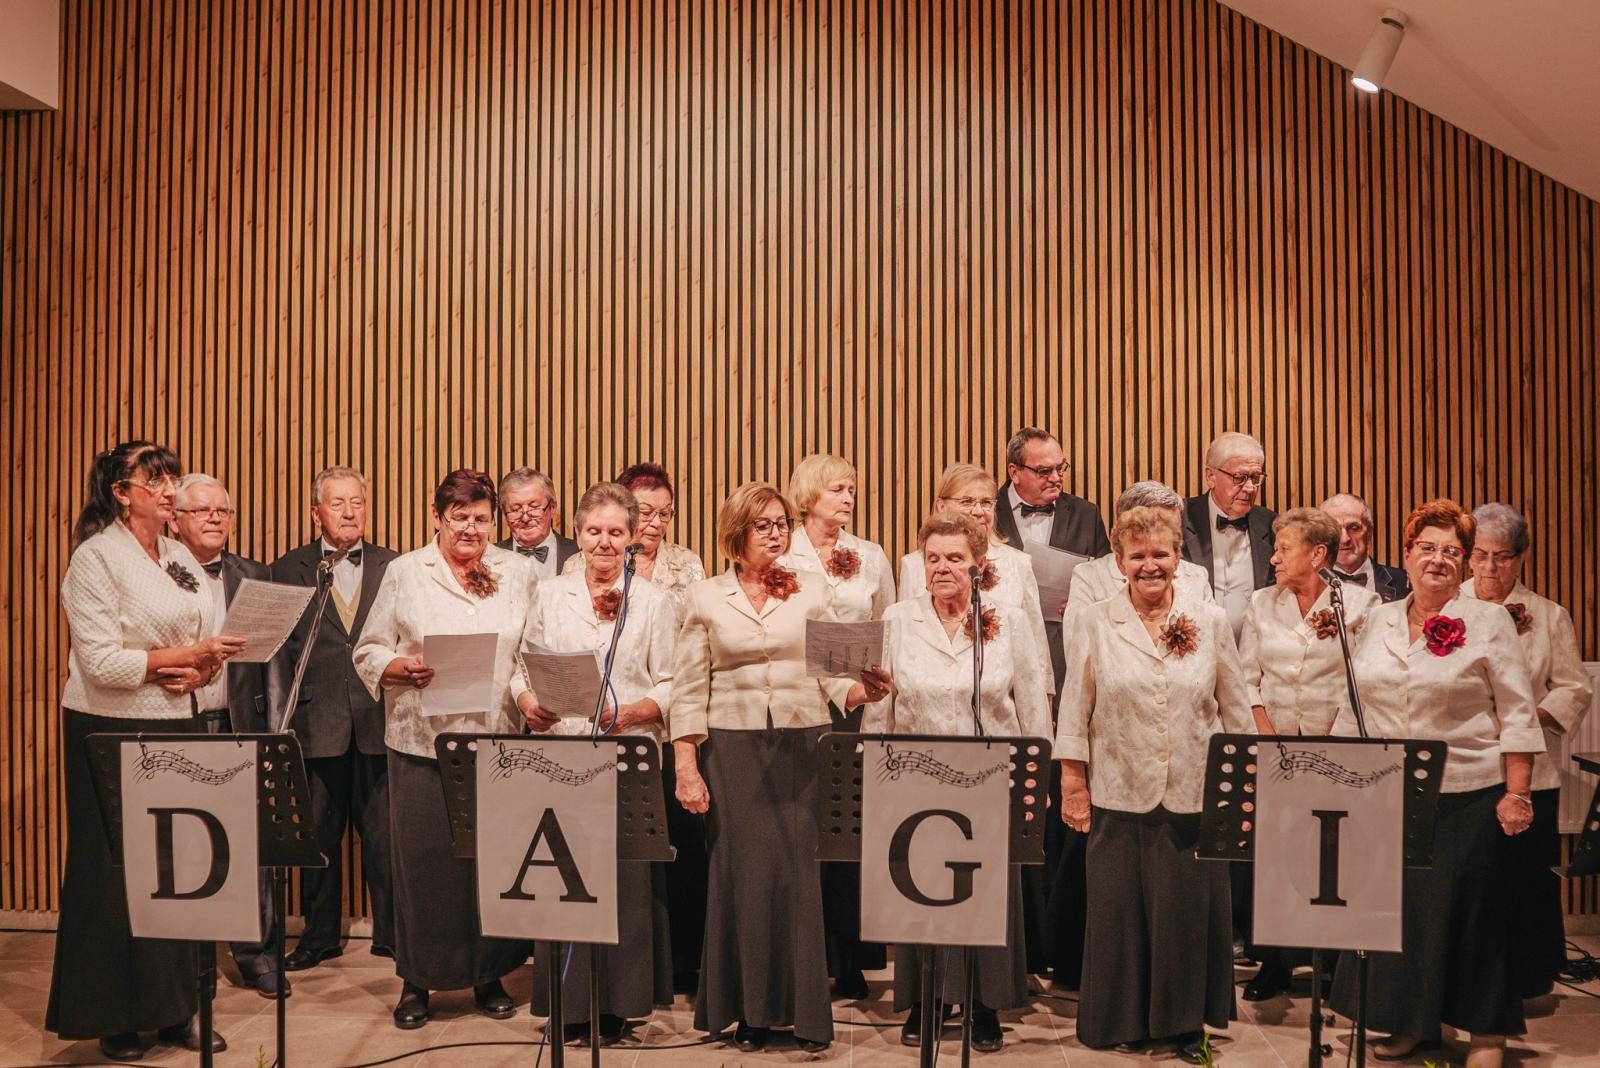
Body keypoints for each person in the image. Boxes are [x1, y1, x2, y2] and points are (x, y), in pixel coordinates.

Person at [46, 441, 245, 1062]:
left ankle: (177, 1010)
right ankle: (118, 1016)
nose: (168, 488)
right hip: (110, 729)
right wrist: (181, 659)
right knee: (117, 877)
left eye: (171, 477)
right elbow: (102, 662)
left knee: (182, 872)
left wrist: (201, 670)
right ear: (120, 491)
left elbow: (201, 643)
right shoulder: (95, 558)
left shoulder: (180, 554)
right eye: (154, 478)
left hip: (177, 725)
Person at [1329, 499, 1544, 1068]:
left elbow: (1518, 713)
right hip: (1386, 793)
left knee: (1474, 918)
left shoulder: (1490, 621)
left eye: (1453, 551)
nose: (1439, 560)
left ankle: (1486, 1035)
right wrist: (1339, 786)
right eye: (1428, 547)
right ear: (1407, 553)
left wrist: (1517, 793)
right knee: (1401, 917)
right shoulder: (1376, 618)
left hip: (1467, 794)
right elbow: (1353, 709)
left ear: (1467, 563)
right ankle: (1409, 1022)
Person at [668, 482, 880, 1054]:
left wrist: (865, 690)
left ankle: (804, 1015)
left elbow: (834, 673)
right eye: (762, 525)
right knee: (741, 878)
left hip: (802, 744)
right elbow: (688, 690)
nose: (775, 533)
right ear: (736, 534)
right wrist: (687, 765)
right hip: (732, 751)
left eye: (781, 523)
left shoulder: (811, 589)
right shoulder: (705, 597)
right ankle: (749, 1013)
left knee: (796, 879)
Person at [1056, 505, 1251, 1061]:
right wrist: (1074, 783)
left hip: (1194, 793)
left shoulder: (1208, 619)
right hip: (1117, 792)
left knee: (1185, 916)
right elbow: (1076, 707)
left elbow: (1235, 711)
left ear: (1178, 558)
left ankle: (1185, 1025)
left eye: (1160, 554)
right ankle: (1123, 1020)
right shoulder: (1096, 620)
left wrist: (1241, 791)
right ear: (1119, 562)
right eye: (1137, 555)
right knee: (1118, 915)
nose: (1149, 565)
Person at [352, 469, 538, 1029]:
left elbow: (531, 650)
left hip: (496, 740)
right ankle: (417, 982)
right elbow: (368, 649)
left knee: (488, 865)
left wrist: (529, 701)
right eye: (460, 517)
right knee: (426, 867)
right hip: (420, 743)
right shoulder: (406, 572)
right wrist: (397, 667)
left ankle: (488, 975)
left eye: (482, 518)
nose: (472, 528)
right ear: (437, 518)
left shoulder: (519, 572)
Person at [863, 511, 1050, 1051]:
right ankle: (925, 1000)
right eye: (934, 558)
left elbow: (1032, 706)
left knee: (984, 897)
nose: (943, 568)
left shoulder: (1007, 619)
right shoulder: (898, 619)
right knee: (920, 896)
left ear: (978, 564)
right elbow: (881, 708)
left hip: (991, 783)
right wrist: (877, 779)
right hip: (913, 785)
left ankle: (984, 1003)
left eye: (955, 558)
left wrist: (1035, 784)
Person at [516, 482, 677, 1044]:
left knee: (623, 883)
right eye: (593, 531)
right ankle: (566, 1003)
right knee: (562, 878)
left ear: (633, 536)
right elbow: (523, 664)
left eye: (615, 531)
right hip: (561, 753)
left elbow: (673, 682)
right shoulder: (549, 594)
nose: (604, 542)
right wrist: (528, 702)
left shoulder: (655, 601)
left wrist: (633, 711)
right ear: (577, 534)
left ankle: (618, 1005)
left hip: (626, 755)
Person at [566, 462, 709, 992]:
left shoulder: (685, 568)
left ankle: (671, 964)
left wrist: (635, 711)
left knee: (667, 849)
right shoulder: (567, 581)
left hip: (661, 724)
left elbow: (689, 653)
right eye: (644, 512)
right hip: (582, 737)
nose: (655, 523)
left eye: (664, 514)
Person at [1233, 507, 1379, 1001]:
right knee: (1273, 862)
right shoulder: (1260, 603)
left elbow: (1363, 685)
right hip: (1273, 752)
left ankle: (1334, 965)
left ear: (1317, 555)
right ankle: (1272, 963)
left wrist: (1329, 747)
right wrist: (1270, 742)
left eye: (1283, 549)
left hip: (1335, 753)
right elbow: (1245, 680)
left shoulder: (1360, 606)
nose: (1273, 558)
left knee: (1332, 862)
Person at [271, 466, 399, 970]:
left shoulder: (395, 566)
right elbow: (278, 653)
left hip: (377, 722)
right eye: (337, 503)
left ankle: (392, 935)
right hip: (313, 724)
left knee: (385, 837)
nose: (349, 512)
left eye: (357, 503)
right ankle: (318, 937)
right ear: (315, 512)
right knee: (318, 837)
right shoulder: (287, 569)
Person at [1464, 502, 1592, 1000]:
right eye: (1480, 555)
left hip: (1532, 773)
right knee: (1477, 881)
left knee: (1522, 879)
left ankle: (1525, 979)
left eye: (1501, 557)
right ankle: (1471, 979)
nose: (1489, 568)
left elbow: (1574, 688)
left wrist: (1525, 719)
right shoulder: (1449, 611)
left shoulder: (1547, 615)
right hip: (1469, 768)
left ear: (1520, 558)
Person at [779, 452, 894, 1001]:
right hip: (800, 700)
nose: (848, 498)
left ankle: (850, 958)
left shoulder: (868, 554)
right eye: (836, 490)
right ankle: (806, 954)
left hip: (856, 704)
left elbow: (887, 622)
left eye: (851, 489)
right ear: (808, 497)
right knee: (805, 828)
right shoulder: (781, 549)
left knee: (850, 828)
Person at [170, 474, 287, 998]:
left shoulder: (252, 572)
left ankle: (257, 954)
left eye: (223, 511)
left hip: (241, 725)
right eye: (202, 511)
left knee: (250, 844)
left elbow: (272, 665)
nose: (216, 518)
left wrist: (275, 735)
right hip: (179, 723)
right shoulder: (157, 572)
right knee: (184, 846)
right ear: (175, 518)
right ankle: (187, 966)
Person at [898, 464, 1051, 692]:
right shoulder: (914, 564)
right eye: (967, 502)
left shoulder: (1018, 564)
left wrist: (1044, 699)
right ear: (941, 506)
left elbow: (1036, 644)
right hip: (932, 692)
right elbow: (904, 640)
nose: (978, 511)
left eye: (986, 502)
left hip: (998, 694)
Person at [992, 426, 1110, 686]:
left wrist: (1084, 603)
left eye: (1061, 467)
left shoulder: (1085, 515)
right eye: (1044, 471)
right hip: (999, 653)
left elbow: (1108, 581)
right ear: (1015, 472)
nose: (1056, 477)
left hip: (1064, 654)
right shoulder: (987, 512)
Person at [1181, 431, 1277, 641]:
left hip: (1253, 658)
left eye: (1255, 477)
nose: (1250, 488)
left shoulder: (1272, 525)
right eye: (1239, 478)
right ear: (1210, 476)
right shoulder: (1179, 518)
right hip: (1193, 652)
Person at [1067, 481, 1213, 609]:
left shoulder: (1197, 576)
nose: (1171, 535)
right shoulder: (1089, 577)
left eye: (1175, 527)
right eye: (1160, 526)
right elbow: (1077, 638)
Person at [1321, 493, 1410, 601]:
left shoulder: (1406, 583)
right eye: (1335, 529)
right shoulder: (1306, 587)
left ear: (1369, 534)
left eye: (1354, 528)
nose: (1344, 539)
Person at [497, 467, 577, 579]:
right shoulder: (490, 559)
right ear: (505, 514)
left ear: (552, 508)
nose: (525, 518)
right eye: (515, 509)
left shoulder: (578, 553)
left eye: (534, 507)